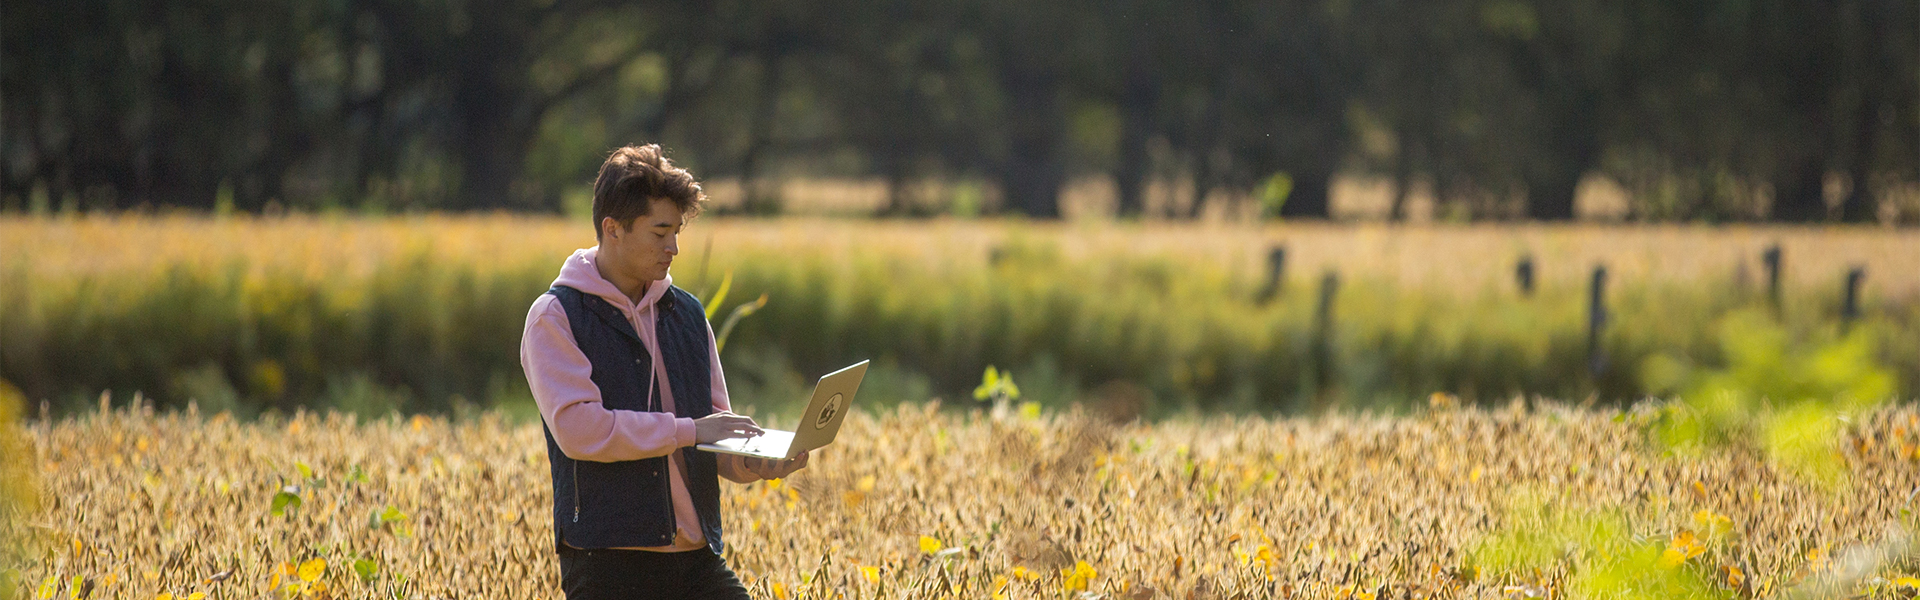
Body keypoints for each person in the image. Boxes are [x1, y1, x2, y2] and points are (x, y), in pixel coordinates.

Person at [520, 143, 808, 600]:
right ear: (612, 229)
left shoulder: (688, 314)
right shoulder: (555, 317)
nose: (673, 248)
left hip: (696, 560)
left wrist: (755, 463)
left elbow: (713, 438)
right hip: (607, 565)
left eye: (677, 232)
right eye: (659, 233)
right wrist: (688, 431)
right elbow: (580, 431)